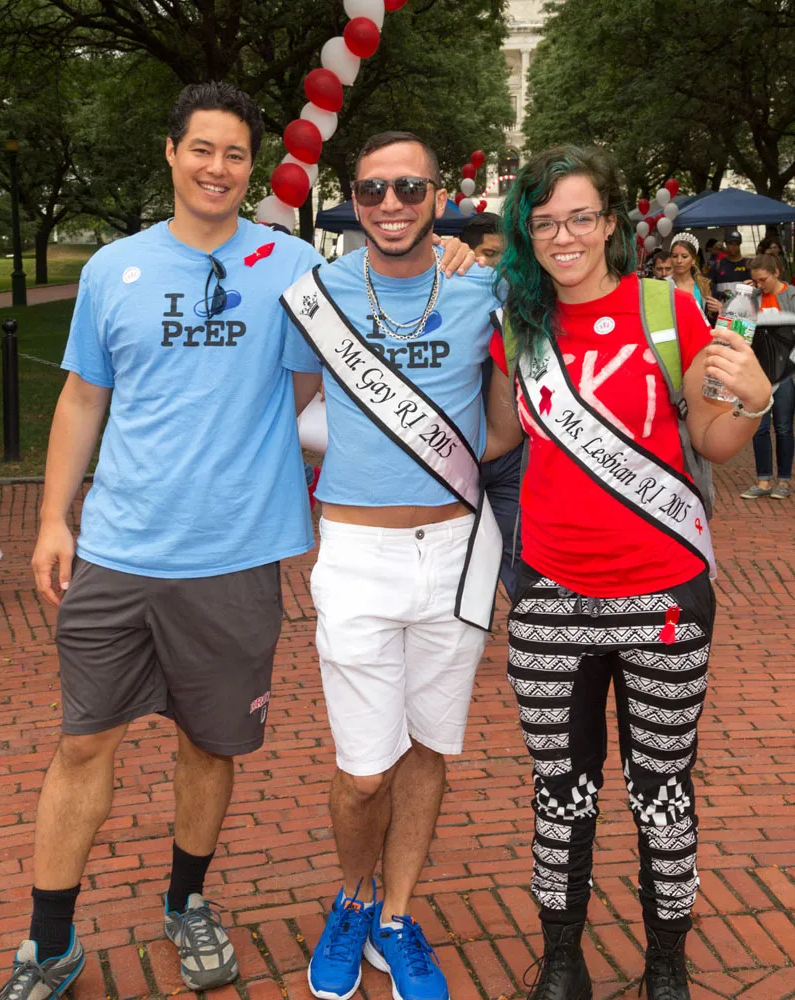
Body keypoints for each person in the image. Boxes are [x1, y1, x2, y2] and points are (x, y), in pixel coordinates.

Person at [0, 82, 328, 1000]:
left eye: (235, 154)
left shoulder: (293, 265)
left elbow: (314, 377)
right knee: (82, 744)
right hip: (119, 551)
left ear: (252, 167)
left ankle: (186, 903)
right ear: (171, 152)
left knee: (209, 747)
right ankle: (49, 943)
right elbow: (82, 398)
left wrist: (449, 251)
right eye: (202, 149)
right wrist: (53, 518)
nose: (218, 168)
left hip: (236, 556)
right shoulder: (115, 268)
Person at [483, 144, 770, 1000]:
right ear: (525, 231)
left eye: (579, 217)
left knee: (662, 790)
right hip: (549, 593)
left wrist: (753, 398)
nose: (562, 236)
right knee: (559, 791)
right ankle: (561, 958)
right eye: (543, 221)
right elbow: (496, 439)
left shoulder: (665, 309)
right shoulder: (516, 326)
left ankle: (666, 964)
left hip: (662, 593)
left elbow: (714, 439)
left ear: (610, 222)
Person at [281, 132, 502, 1000]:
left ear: (438, 195)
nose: (391, 204)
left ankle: (397, 916)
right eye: (373, 190)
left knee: (428, 750)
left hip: (453, 551)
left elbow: (504, 423)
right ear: (352, 199)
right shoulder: (318, 295)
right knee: (363, 771)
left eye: (409, 187)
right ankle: (351, 899)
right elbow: (289, 409)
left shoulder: (479, 287)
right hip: (357, 555)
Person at [460, 211, 522, 598]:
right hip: (454, 457)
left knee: (520, 558)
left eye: (507, 256)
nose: (500, 266)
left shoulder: (521, 306)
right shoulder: (441, 303)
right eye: (491, 254)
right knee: (454, 567)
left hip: (511, 457)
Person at [739, 253, 795, 500]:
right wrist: (742, 297)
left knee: (783, 426)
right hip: (758, 372)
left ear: (776, 273)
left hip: (784, 373)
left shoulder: (791, 296)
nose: (760, 285)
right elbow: (739, 326)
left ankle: (783, 481)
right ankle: (763, 481)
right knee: (759, 427)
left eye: (763, 280)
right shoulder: (752, 297)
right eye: (756, 281)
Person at [668, 233, 720, 316]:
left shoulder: (705, 285)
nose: (679, 261)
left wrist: (719, 309)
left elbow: (711, 318)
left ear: (693, 260)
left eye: (684, 256)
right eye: (674, 256)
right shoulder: (663, 284)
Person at [709, 229, 751, 301]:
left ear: (740, 244)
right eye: (730, 243)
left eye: (736, 244)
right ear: (725, 244)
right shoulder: (718, 265)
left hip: (745, 306)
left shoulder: (748, 265)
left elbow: (758, 288)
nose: (733, 246)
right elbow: (709, 290)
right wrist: (723, 294)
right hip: (723, 306)